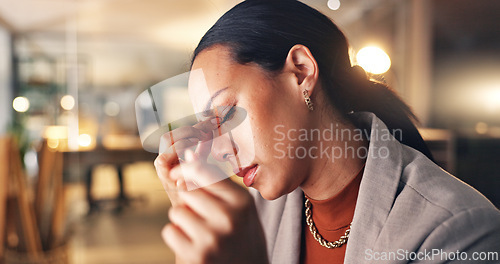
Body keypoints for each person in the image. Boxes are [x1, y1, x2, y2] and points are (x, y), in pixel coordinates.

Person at [153, 0, 500, 263]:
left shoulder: (460, 229)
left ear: (301, 72)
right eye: (209, 128)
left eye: (227, 113)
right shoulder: (251, 215)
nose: (219, 150)